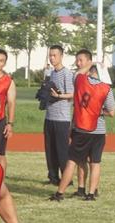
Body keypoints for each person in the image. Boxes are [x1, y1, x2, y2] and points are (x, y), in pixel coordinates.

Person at [51, 55, 115, 202]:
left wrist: (92, 62)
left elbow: (78, 73)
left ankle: (60, 193)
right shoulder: (106, 89)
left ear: (89, 70)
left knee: (72, 161)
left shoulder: (80, 81)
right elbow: (112, 112)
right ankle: (91, 193)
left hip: (81, 129)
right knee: (95, 162)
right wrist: (98, 111)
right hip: (98, 131)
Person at [44, 45, 74, 187]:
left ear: (61, 56)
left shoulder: (67, 73)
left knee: (62, 150)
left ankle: (67, 179)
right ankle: (53, 177)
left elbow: (72, 94)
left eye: (54, 55)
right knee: (50, 149)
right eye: (50, 55)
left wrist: (59, 95)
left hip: (62, 118)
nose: (52, 58)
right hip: (50, 116)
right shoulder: (51, 73)